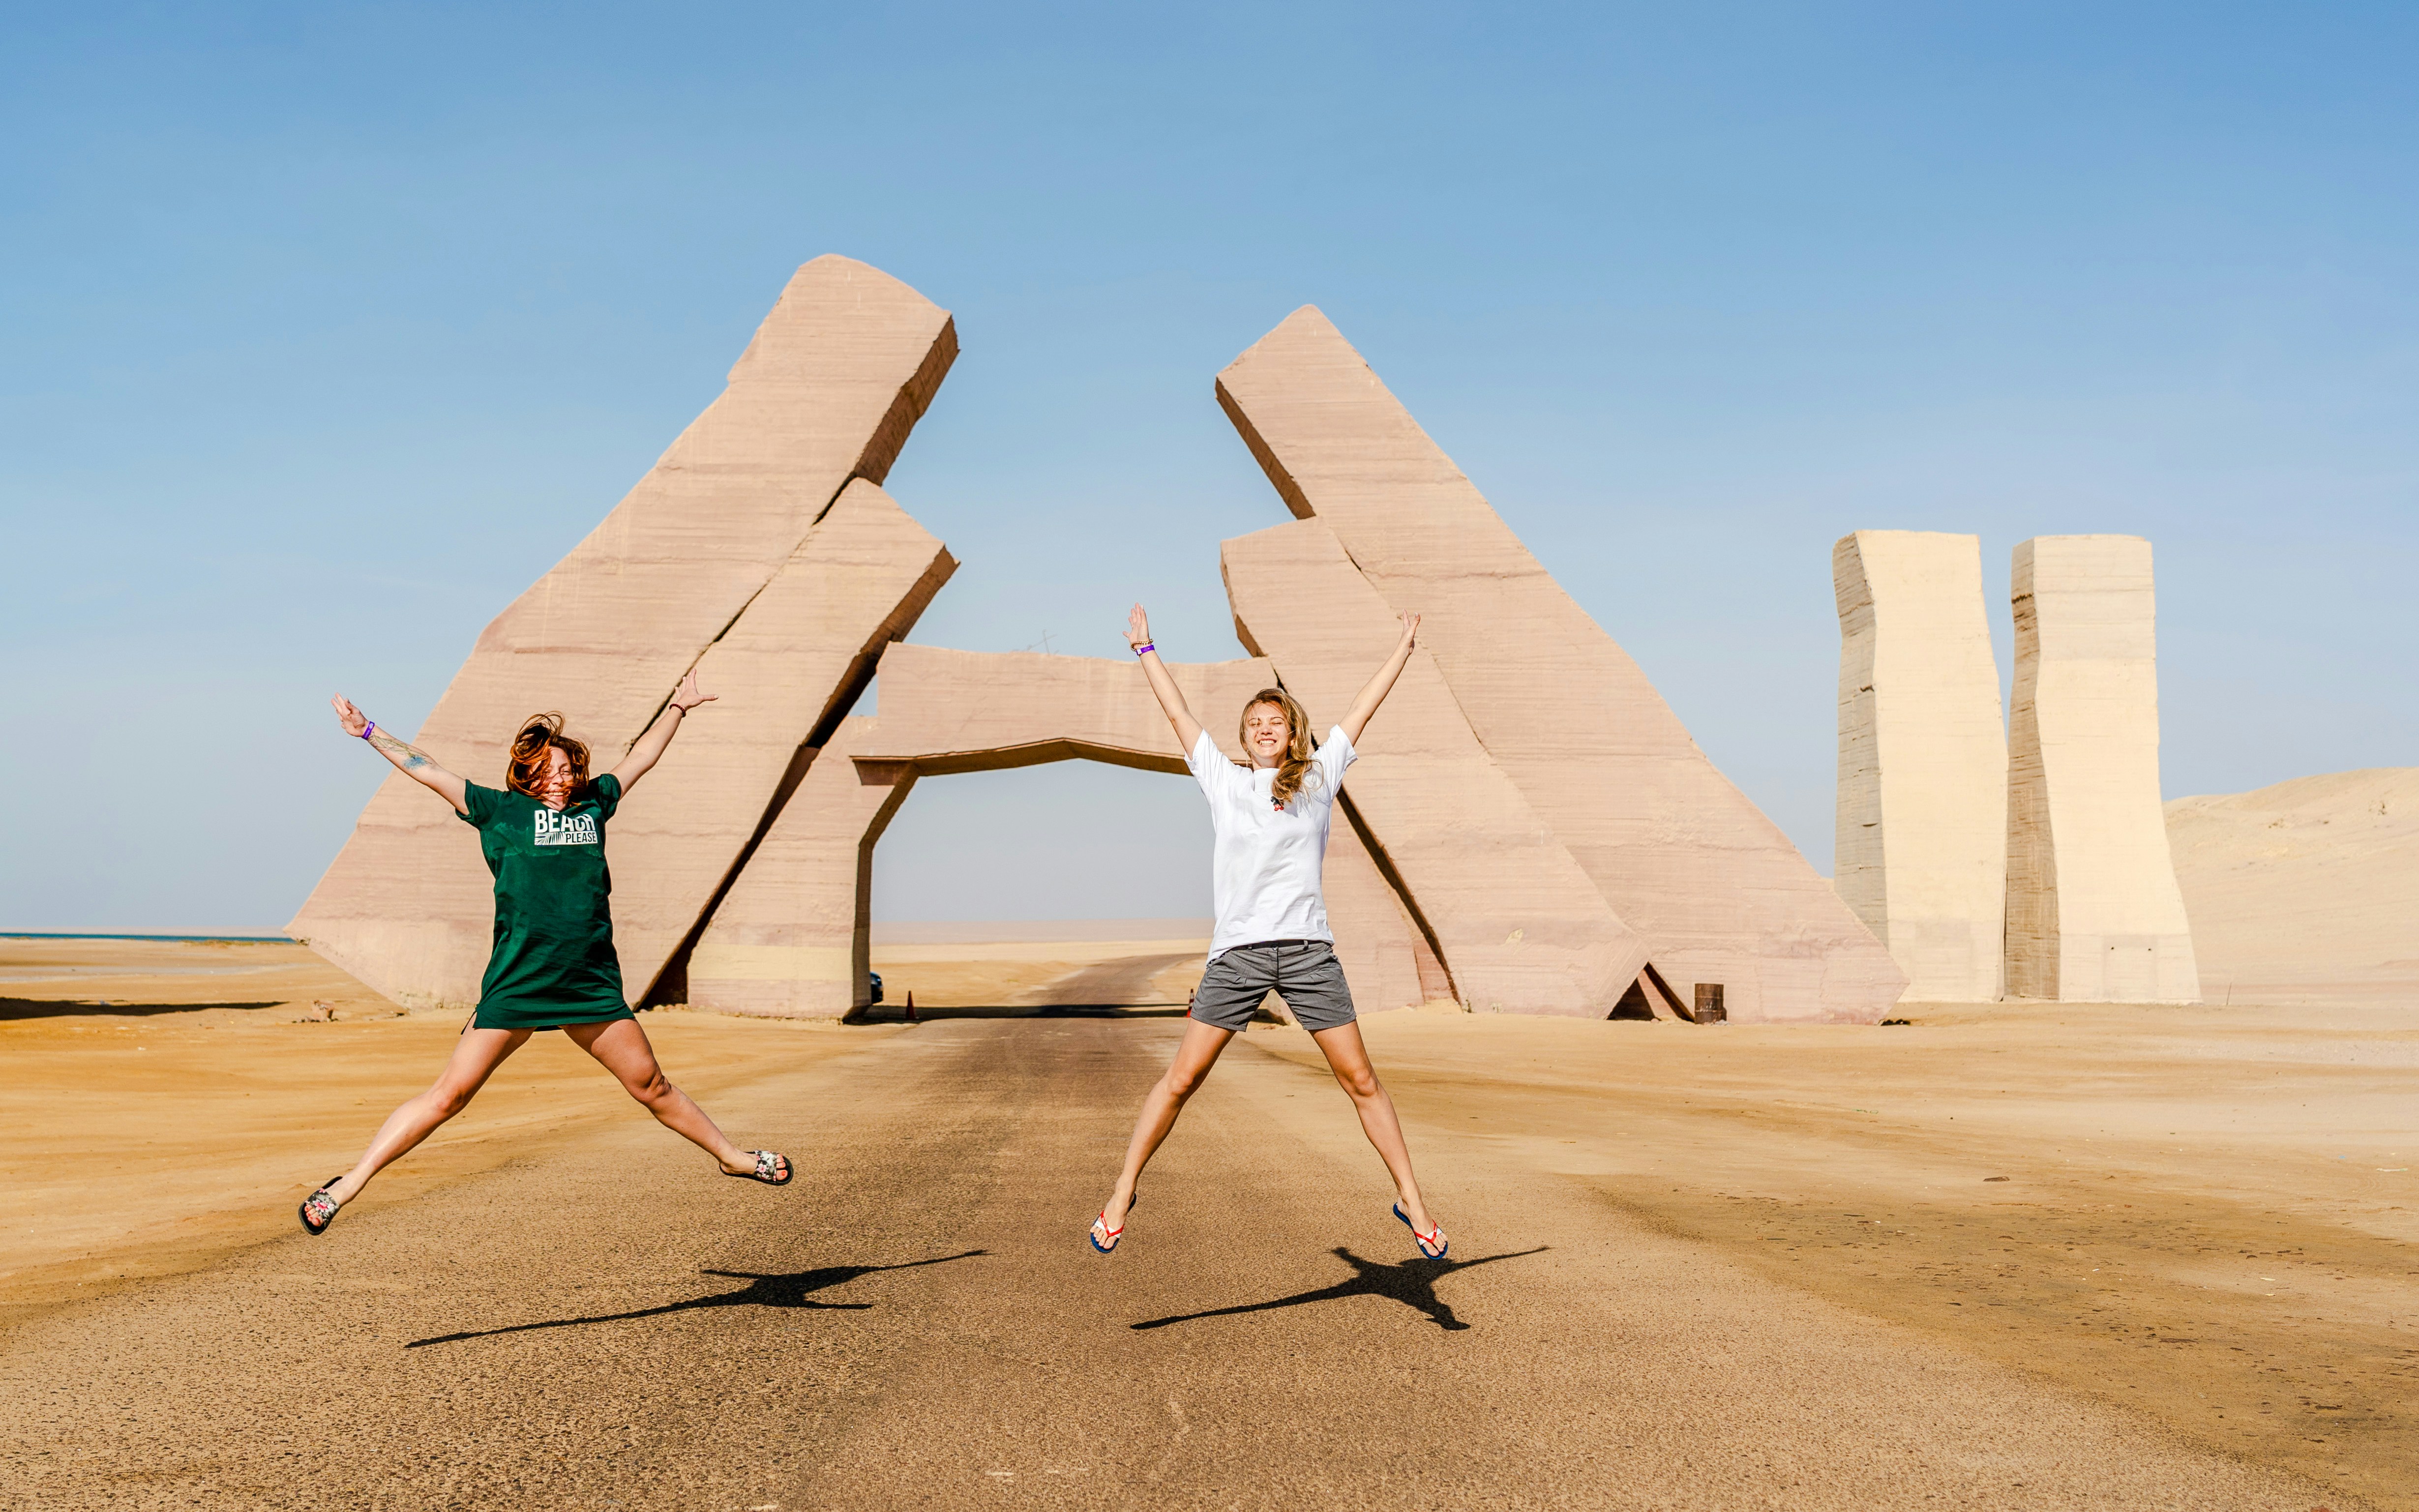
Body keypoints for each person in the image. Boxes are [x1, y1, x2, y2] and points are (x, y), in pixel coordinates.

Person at [298, 672, 791, 1236]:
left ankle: (731, 1157)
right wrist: (368, 732)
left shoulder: (594, 804)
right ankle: (348, 1184)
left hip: (589, 984)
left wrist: (679, 705)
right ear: (526, 773)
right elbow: (425, 766)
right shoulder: (496, 811)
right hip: (519, 983)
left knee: (651, 1086)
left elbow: (642, 758)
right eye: (551, 771)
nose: (562, 779)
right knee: (449, 1096)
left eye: (568, 770)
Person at [1089, 605, 1446, 1259]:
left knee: (1361, 1079)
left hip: (1309, 955)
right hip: (1237, 956)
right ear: (1243, 735)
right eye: (1253, 724)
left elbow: (1362, 709)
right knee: (1181, 1078)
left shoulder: (1317, 778)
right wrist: (1146, 649)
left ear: (1291, 732)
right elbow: (1177, 715)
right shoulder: (1223, 782)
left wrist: (1402, 646)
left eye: (1273, 722)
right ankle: (1121, 1192)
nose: (1262, 730)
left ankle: (1412, 1201)